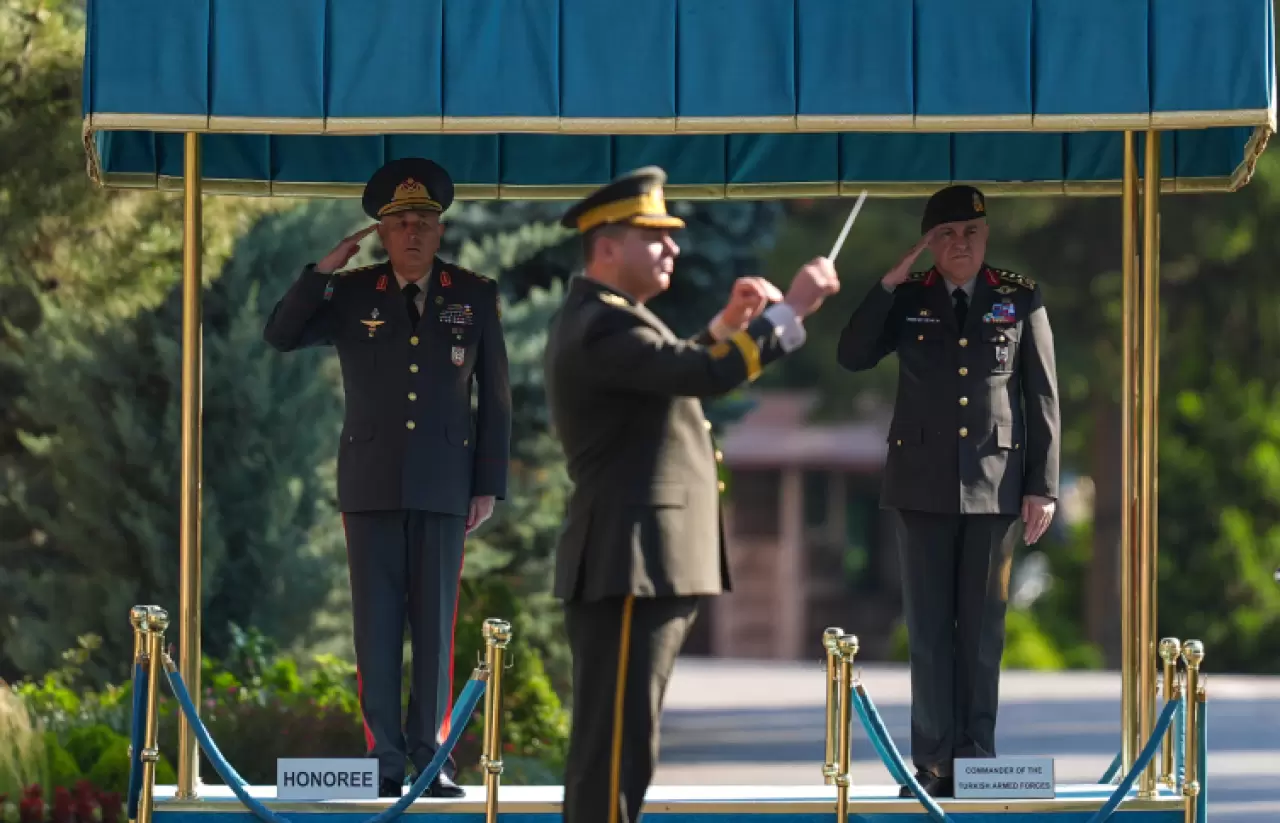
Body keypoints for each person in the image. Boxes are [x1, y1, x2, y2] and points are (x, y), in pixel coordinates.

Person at [543, 166, 842, 823]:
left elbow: (671, 367)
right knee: (614, 750)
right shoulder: (602, 324)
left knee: (623, 746)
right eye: (655, 235)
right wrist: (792, 311)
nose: (673, 247)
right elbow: (693, 374)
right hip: (630, 563)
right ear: (607, 245)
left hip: (640, 563)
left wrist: (726, 326)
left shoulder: (614, 321)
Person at [263, 157, 511, 799]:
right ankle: (385, 762)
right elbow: (281, 335)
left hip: (445, 482)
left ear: (439, 230)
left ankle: (430, 762)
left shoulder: (473, 294)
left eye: (423, 221)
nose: (412, 233)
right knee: (375, 627)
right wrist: (323, 271)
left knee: (433, 629)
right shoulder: (350, 293)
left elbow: (498, 396)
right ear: (381, 231)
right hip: (370, 480)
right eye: (399, 222)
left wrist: (486, 482)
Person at [835, 185, 1060, 798]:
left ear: (985, 236)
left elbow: (1040, 397)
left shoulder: (1018, 296)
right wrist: (886, 285)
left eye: (970, 232)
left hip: (995, 487)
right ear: (929, 242)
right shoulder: (908, 299)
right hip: (920, 486)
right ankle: (933, 764)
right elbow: (851, 354)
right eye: (946, 234)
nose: (960, 244)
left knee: (982, 631)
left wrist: (1042, 486)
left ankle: (978, 763)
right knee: (931, 632)